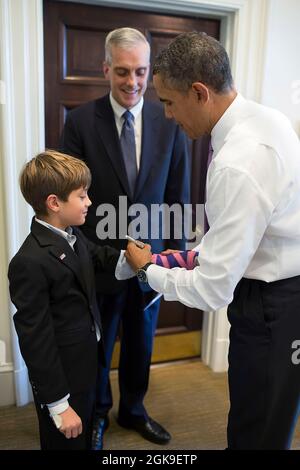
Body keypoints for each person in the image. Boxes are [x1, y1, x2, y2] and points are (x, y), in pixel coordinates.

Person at [124, 32, 300, 450]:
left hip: (271, 309)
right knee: (262, 420)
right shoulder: (267, 118)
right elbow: (253, 228)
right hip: (280, 295)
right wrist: (187, 258)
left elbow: (214, 288)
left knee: (255, 432)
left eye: (168, 101)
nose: (166, 115)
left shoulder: (239, 163)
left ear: (199, 92)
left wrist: (148, 272)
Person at [59, 27, 190, 449]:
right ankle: (98, 412)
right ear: (105, 70)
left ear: (149, 71)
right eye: (121, 71)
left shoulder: (168, 120)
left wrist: (178, 258)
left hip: (150, 262)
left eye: (139, 71)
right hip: (100, 259)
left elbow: (177, 192)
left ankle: (134, 409)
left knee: (141, 341)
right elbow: (71, 198)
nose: (131, 82)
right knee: (100, 344)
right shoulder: (79, 122)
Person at [8, 150, 124, 450]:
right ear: (54, 203)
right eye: (82, 196)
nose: (89, 202)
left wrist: (135, 259)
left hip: (84, 363)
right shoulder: (29, 262)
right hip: (62, 377)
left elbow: (99, 256)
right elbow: (36, 340)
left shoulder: (72, 235)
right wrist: (59, 405)